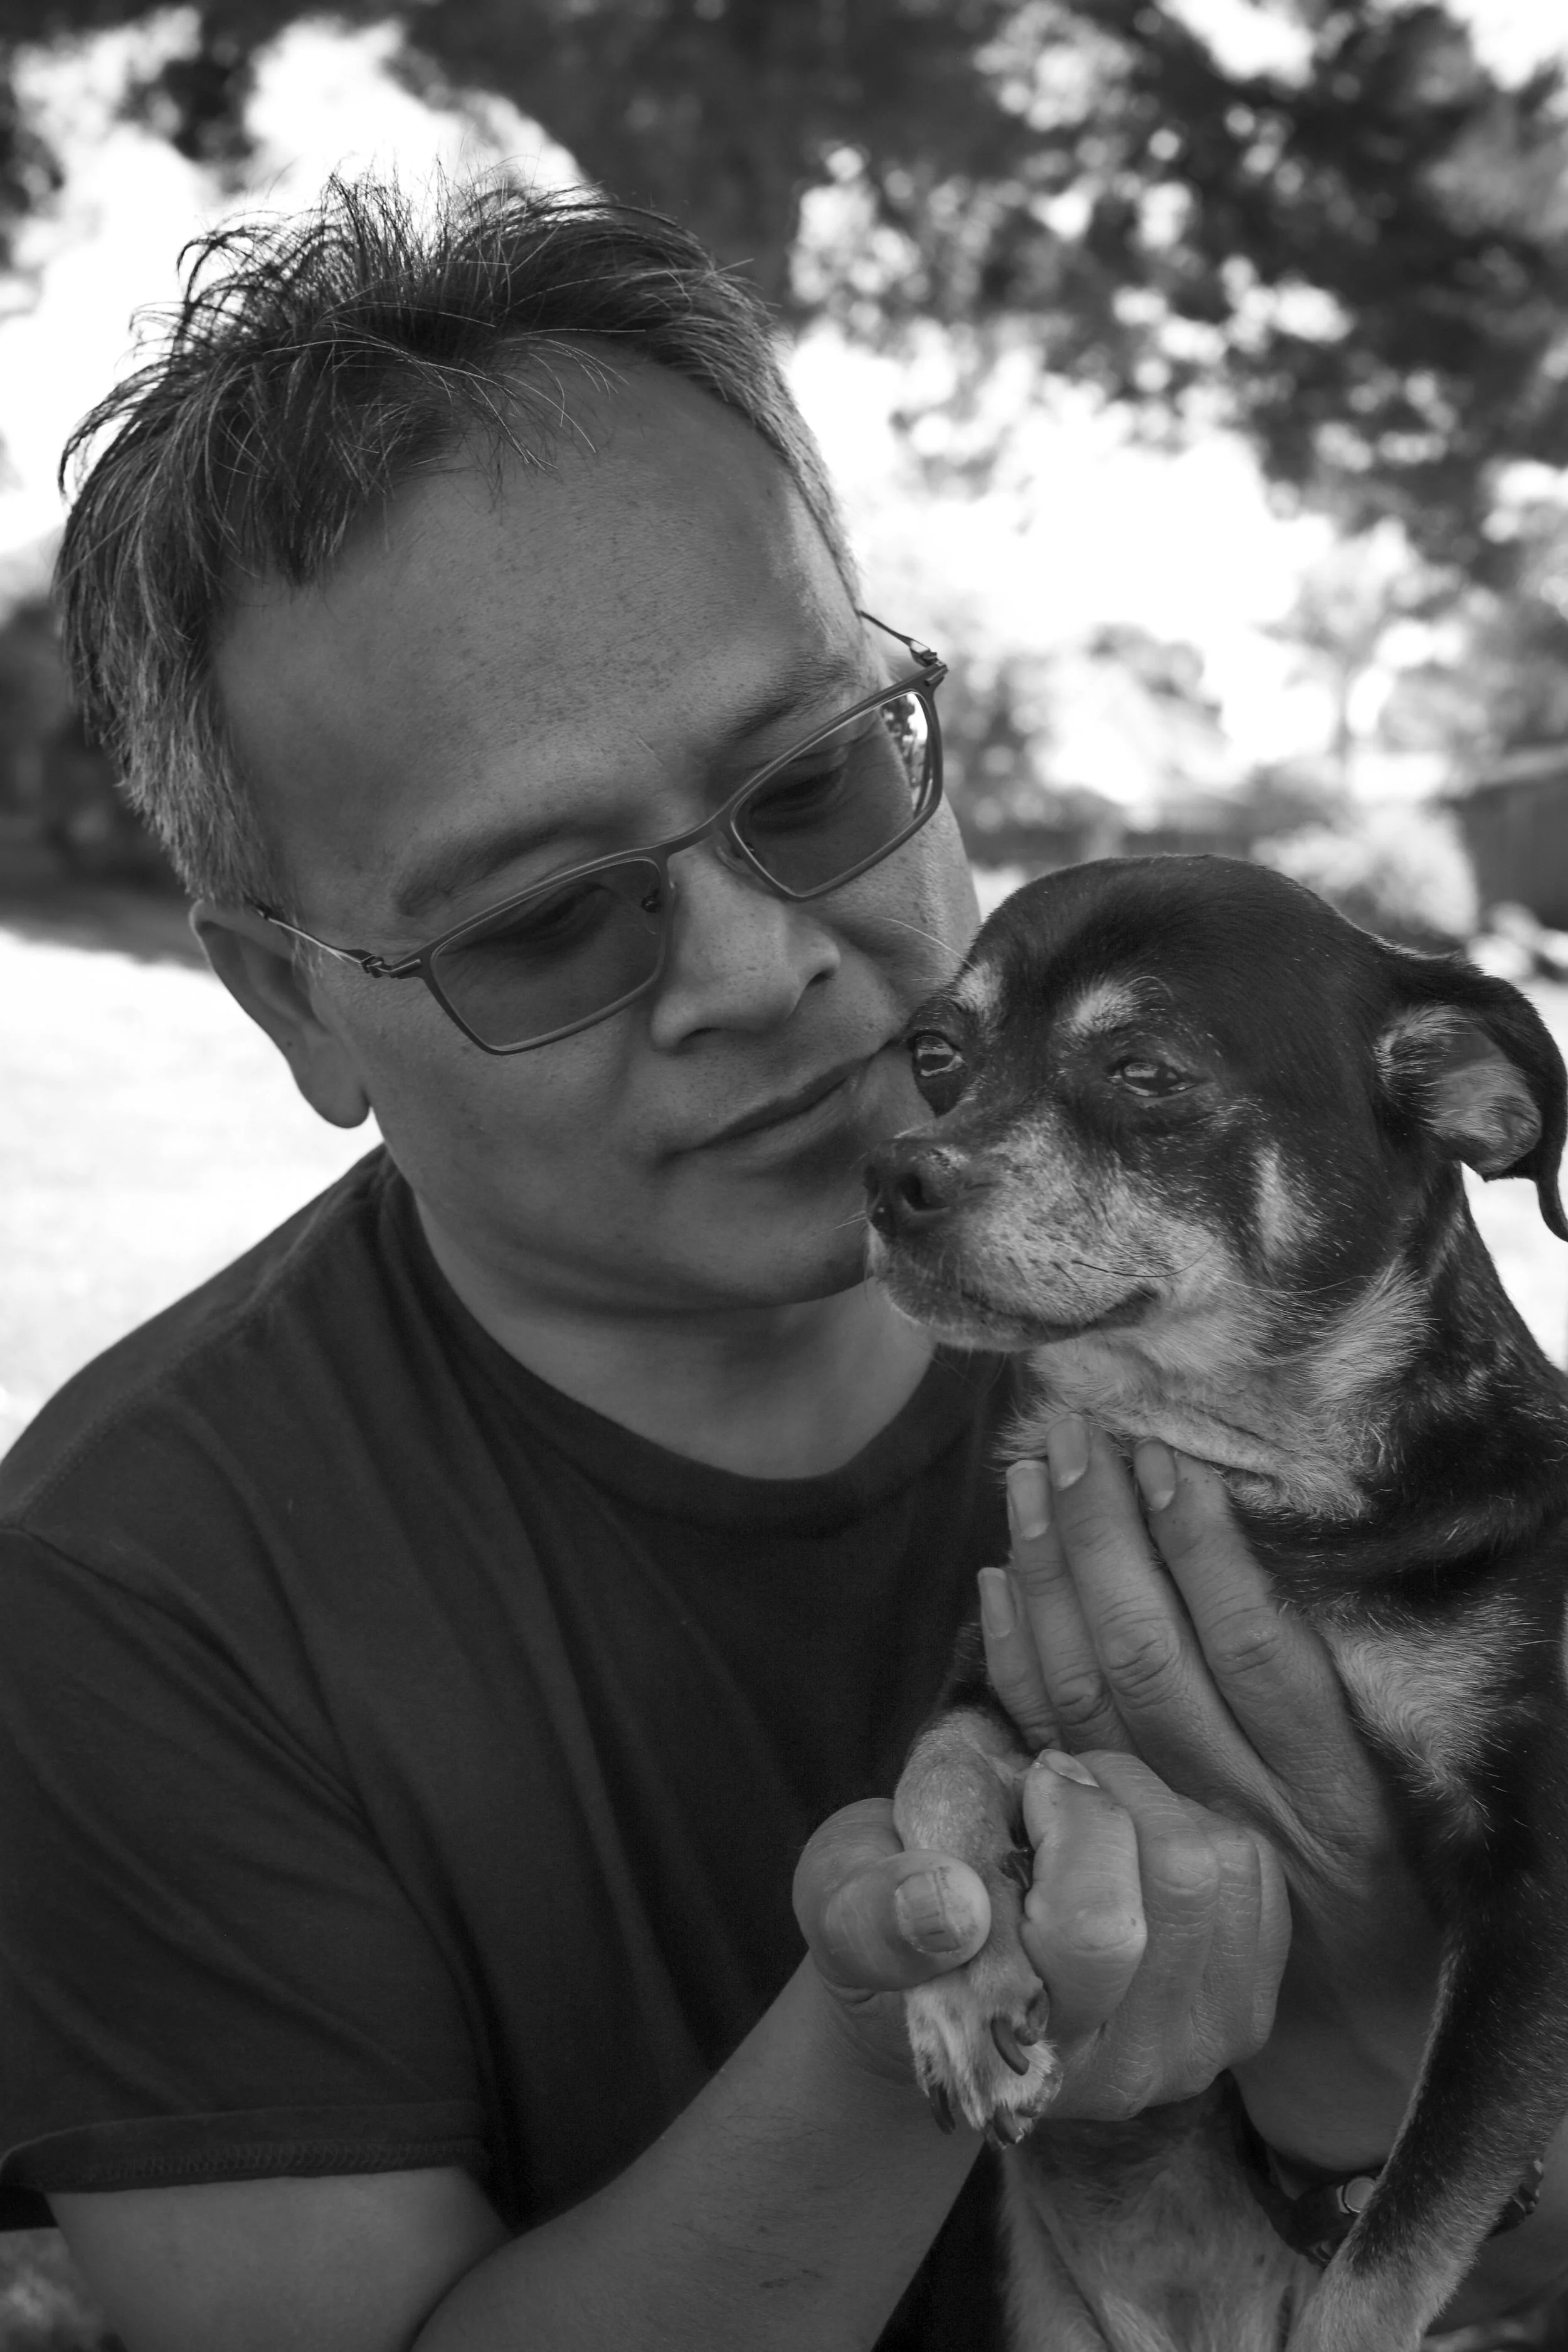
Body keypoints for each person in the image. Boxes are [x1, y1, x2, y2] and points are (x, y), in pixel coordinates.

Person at [0, 174, 1560, 2352]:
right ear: (290, 1004)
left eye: (814, 782)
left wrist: (1369, 2060)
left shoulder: (1295, 1365)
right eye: (545, 920)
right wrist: (918, 2005)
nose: (758, 969)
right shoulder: (132, 1599)